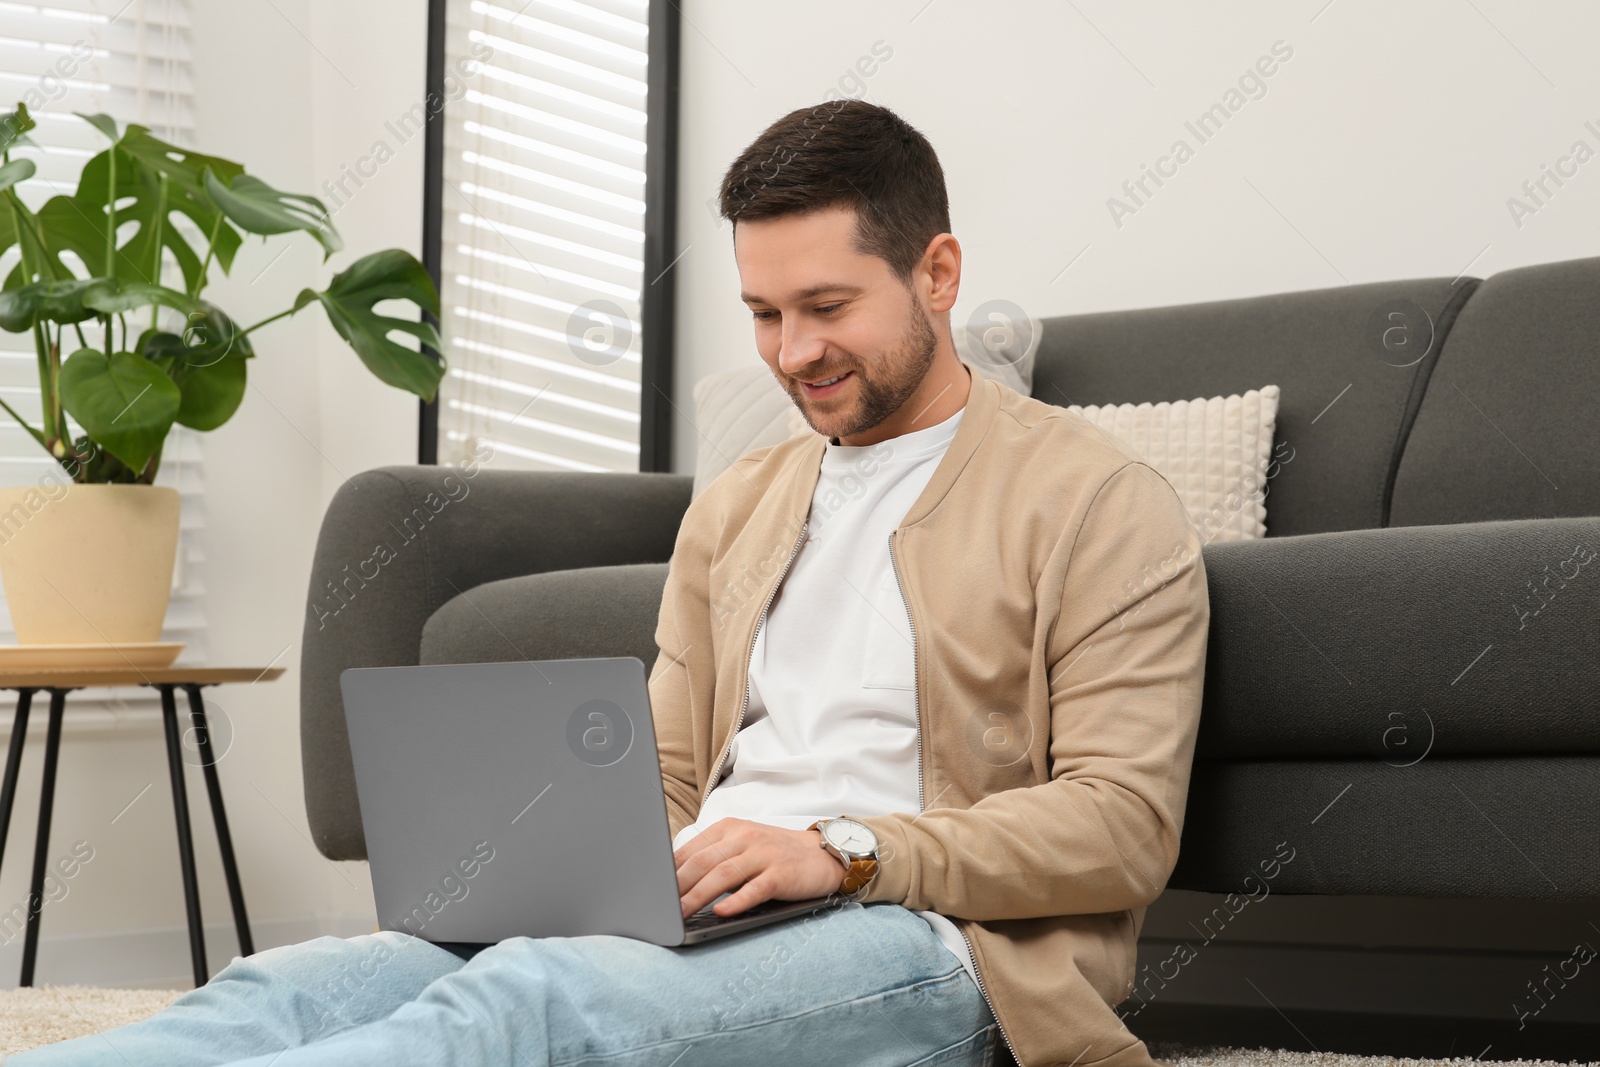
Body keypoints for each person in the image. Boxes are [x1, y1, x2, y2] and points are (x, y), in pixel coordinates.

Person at [14, 99, 1207, 1067]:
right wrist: (567, 861)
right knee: (287, 988)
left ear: (937, 272)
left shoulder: (1099, 501)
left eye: (827, 306)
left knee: (527, 1010)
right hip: (705, 904)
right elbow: (673, 772)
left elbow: (1123, 824)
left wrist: (841, 849)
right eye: (763, 313)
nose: (793, 352)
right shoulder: (740, 499)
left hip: (935, 944)